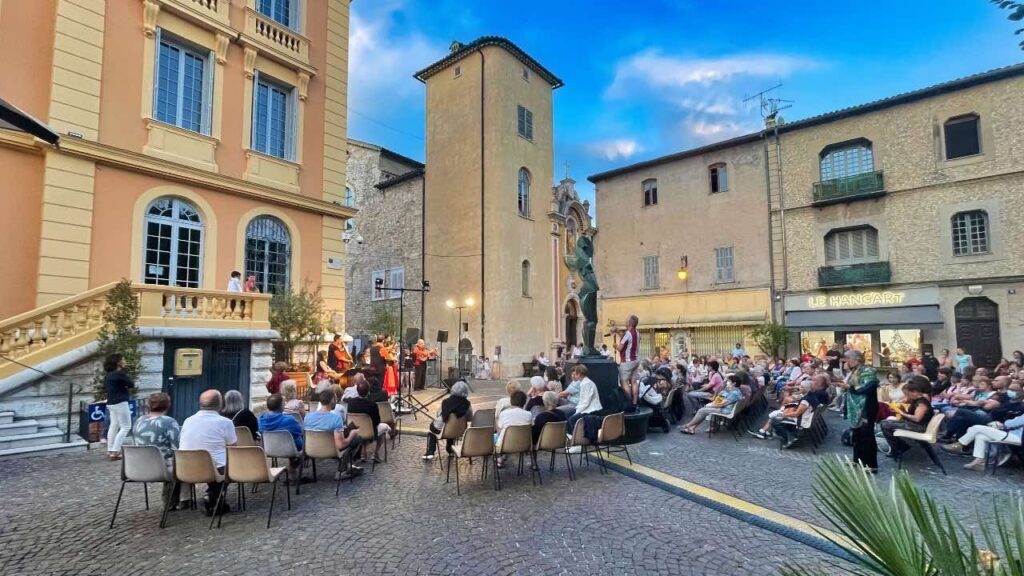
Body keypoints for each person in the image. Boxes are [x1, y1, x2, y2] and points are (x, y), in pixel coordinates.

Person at [179, 390, 237, 516]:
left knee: (216, 463)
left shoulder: (187, 420)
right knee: (231, 464)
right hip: (215, 470)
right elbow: (233, 448)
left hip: (185, 468)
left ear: (200, 404)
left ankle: (215, 499)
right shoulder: (225, 422)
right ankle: (212, 496)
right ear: (220, 404)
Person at [750, 374, 829, 445]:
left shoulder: (807, 399)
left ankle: (783, 438)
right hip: (806, 416)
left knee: (775, 417)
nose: (799, 387)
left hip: (801, 420)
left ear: (806, 388)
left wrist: (784, 414)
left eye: (801, 387)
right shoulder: (812, 396)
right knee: (778, 412)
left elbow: (797, 413)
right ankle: (764, 431)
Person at [133, 392, 181, 508]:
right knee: (181, 463)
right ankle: (174, 501)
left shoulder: (139, 420)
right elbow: (177, 447)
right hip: (161, 468)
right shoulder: (169, 422)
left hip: (137, 467)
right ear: (168, 405)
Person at [834, 349, 879, 473]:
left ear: (857, 360)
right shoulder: (854, 371)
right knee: (857, 435)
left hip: (866, 407)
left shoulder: (868, 371)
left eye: (848, 359)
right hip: (855, 407)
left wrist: (849, 387)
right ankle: (857, 460)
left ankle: (871, 464)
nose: (847, 362)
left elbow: (867, 388)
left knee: (867, 436)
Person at [304, 390, 363, 476]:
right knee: (357, 439)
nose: (336, 401)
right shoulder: (336, 419)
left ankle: (347, 466)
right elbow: (341, 445)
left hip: (311, 450)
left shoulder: (308, 417)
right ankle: (342, 471)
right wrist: (351, 435)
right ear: (332, 400)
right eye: (335, 399)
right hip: (331, 451)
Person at [943, 411, 1024, 471]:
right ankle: (978, 463)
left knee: (977, 427)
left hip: (1017, 437)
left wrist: (1006, 422)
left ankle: (960, 444)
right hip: (1013, 435)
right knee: (980, 436)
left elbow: (1011, 423)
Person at [880, 376, 934, 458]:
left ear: (914, 392)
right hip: (916, 424)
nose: (907, 396)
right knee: (885, 422)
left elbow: (917, 418)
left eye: (907, 394)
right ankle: (900, 446)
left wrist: (902, 413)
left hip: (918, 427)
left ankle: (899, 448)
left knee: (884, 424)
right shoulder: (918, 400)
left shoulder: (921, 403)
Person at [258, 394, 305, 482]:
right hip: (290, 449)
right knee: (304, 445)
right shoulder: (289, 420)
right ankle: (293, 467)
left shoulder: (261, 420)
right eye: (284, 403)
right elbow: (300, 431)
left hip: (269, 449)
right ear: (281, 406)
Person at [679, 374, 743, 435]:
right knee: (704, 410)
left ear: (734, 383)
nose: (727, 382)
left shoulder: (734, 393)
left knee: (702, 410)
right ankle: (692, 428)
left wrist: (711, 405)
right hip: (725, 408)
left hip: (725, 410)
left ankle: (688, 425)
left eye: (729, 381)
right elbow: (721, 398)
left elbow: (721, 404)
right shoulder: (734, 391)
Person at [423, 380, 472, 460]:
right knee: (451, 428)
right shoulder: (467, 404)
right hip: (459, 430)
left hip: (442, 428)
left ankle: (430, 452)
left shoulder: (445, 402)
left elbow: (439, 414)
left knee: (432, 429)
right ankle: (450, 449)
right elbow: (470, 418)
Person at [346, 379, 391, 461]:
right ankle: (375, 453)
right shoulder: (372, 405)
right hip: (369, 432)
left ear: (357, 391)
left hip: (354, 431)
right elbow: (377, 421)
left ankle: (363, 452)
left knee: (365, 428)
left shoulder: (351, 403)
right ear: (368, 391)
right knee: (384, 429)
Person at [103, 353, 135, 461]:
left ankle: (110, 448)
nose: (125, 362)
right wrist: (125, 373)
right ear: (119, 363)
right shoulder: (120, 374)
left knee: (114, 426)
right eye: (123, 360)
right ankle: (115, 451)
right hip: (120, 402)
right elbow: (131, 384)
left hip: (111, 403)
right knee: (126, 426)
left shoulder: (108, 375)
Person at [566, 364, 602, 437]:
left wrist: (577, 411)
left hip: (591, 410)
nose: (574, 376)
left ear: (579, 374)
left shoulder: (585, 383)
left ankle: (576, 439)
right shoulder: (585, 382)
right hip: (589, 408)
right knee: (568, 416)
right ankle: (572, 438)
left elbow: (585, 402)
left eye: (575, 374)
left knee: (571, 420)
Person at [617, 315, 640, 404]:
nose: (625, 321)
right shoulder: (637, 333)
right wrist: (618, 332)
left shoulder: (627, 333)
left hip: (627, 361)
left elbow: (620, 348)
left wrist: (615, 346)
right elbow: (626, 339)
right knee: (634, 382)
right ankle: (634, 402)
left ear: (629, 323)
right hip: (636, 360)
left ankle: (628, 403)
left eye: (626, 320)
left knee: (624, 382)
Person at [638, 369, 670, 433]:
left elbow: (653, 399)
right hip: (656, 402)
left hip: (655, 403)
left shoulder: (659, 383)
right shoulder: (657, 384)